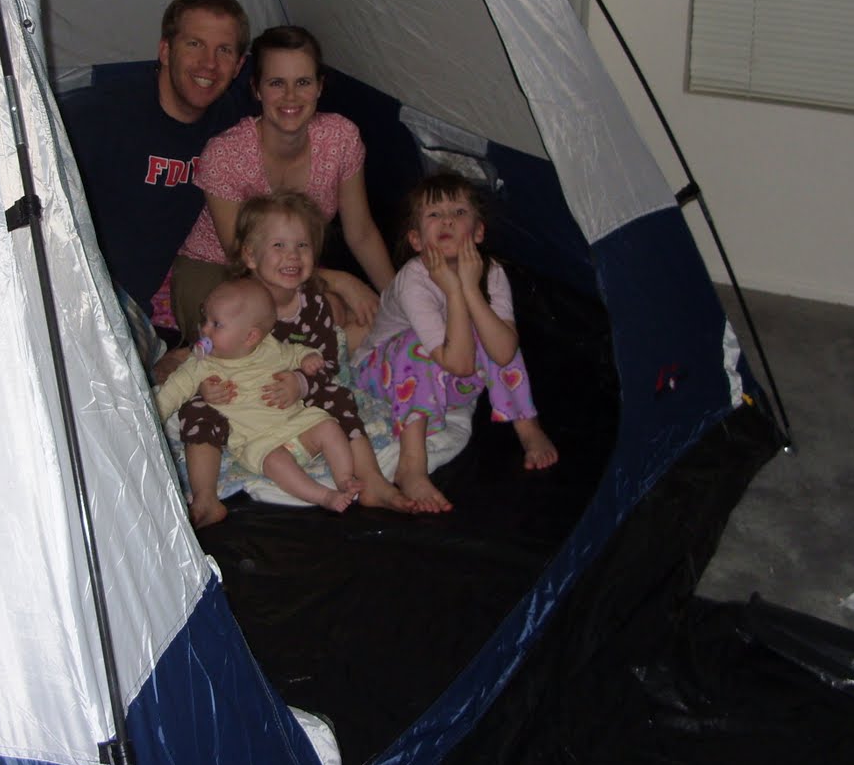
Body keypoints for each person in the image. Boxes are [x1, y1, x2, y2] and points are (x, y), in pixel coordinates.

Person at [175, 193, 415, 526]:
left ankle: (371, 480)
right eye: (278, 246)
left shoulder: (313, 305)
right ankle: (205, 498)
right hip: (242, 400)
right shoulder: (233, 301)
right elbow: (207, 353)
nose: (292, 255)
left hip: (298, 403)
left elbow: (328, 366)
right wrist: (207, 386)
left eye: (302, 245)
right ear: (250, 256)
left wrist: (302, 383)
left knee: (338, 397)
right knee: (196, 409)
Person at [160, 25, 395, 346]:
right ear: (256, 89)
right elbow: (242, 257)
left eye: (302, 83)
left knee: (354, 320)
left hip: (292, 264)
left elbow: (361, 232)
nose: (290, 97)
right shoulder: (226, 153)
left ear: (319, 87)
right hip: (221, 267)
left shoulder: (340, 138)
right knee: (248, 334)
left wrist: (399, 302)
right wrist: (340, 280)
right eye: (276, 83)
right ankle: (188, 365)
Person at [351, 171, 559, 513]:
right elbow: (460, 363)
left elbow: (505, 351)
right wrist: (451, 288)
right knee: (414, 345)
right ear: (416, 240)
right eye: (434, 214)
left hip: (448, 376)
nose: (447, 219)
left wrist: (469, 288)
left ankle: (527, 427)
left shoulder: (490, 272)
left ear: (478, 232)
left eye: (459, 212)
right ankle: (412, 465)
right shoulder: (413, 281)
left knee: (497, 333)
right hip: (383, 377)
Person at [59, 0, 250, 332]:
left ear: (238, 66)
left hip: (140, 306)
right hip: (80, 292)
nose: (209, 63)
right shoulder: (99, 116)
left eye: (223, 50)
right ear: (165, 50)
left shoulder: (233, 122)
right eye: (195, 44)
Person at [156, 278, 361, 516]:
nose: (204, 330)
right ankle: (324, 495)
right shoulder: (201, 364)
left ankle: (345, 479)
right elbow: (174, 389)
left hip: (298, 425)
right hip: (259, 442)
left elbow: (294, 353)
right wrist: (152, 414)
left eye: (216, 324)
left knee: (328, 426)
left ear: (251, 337)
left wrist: (308, 357)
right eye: (205, 320)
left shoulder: (270, 348)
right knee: (276, 463)